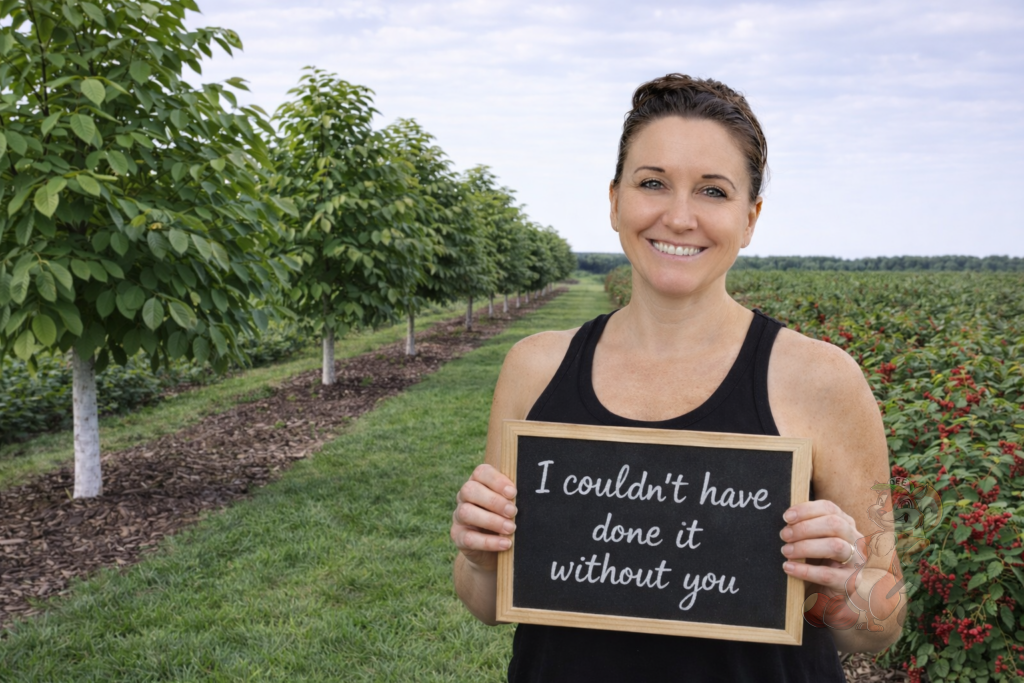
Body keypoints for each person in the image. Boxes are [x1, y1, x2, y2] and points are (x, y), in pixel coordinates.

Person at [450, 73, 900, 682]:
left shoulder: (820, 379)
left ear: (751, 218)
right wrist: (479, 561)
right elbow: (490, 600)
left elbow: (881, 625)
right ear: (614, 201)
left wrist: (845, 582)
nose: (680, 216)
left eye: (713, 191)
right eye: (653, 183)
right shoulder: (535, 369)